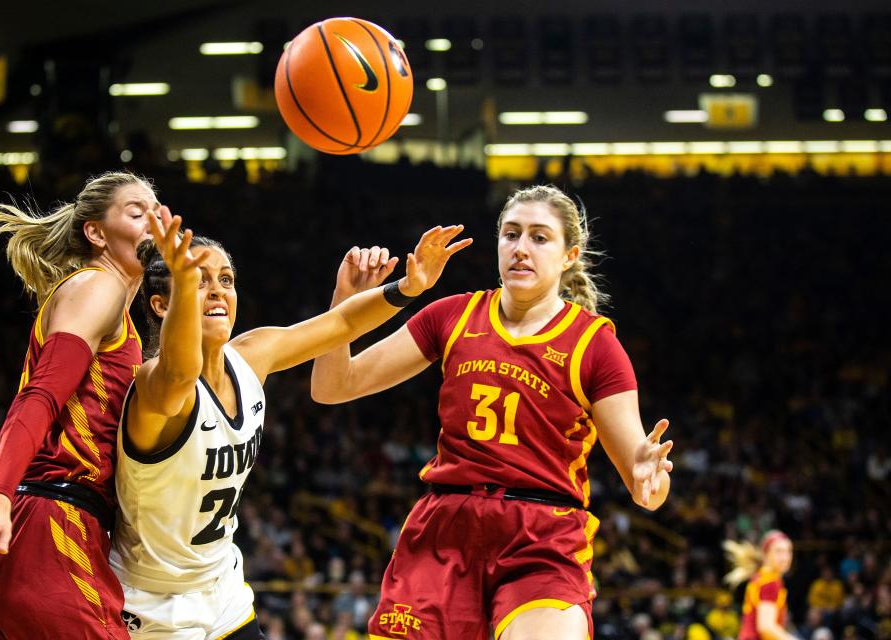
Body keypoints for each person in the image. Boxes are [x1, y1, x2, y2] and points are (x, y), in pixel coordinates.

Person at [310, 184, 675, 640]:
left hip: (541, 535)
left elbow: (646, 489)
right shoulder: (452, 316)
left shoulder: (594, 344)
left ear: (569, 255)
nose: (521, 248)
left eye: (540, 238)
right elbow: (332, 386)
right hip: (446, 527)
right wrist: (344, 305)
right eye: (511, 234)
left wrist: (650, 479)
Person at [110, 212, 470, 638]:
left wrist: (408, 288)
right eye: (198, 280)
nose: (217, 291)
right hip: (154, 605)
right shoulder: (154, 385)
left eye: (226, 279)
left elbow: (340, 324)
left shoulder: (251, 356)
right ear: (161, 304)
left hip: (220, 587)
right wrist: (186, 288)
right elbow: (179, 373)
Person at [0, 171, 161, 639]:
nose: (154, 219)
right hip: (52, 531)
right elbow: (39, 397)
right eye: (136, 211)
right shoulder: (98, 288)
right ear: (96, 233)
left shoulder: (116, 313)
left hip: (33, 531)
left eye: (157, 209)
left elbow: (35, 448)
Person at [724, 530, 799, 640]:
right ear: (765, 554)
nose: (785, 557)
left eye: (788, 551)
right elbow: (766, 627)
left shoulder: (760, 577)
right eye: (779, 551)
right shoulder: (770, 582)